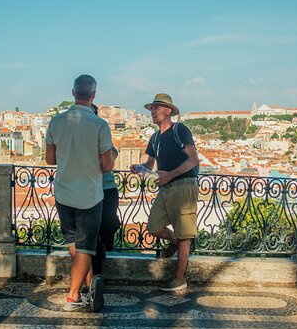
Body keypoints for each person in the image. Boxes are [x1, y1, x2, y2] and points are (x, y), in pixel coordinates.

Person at [45, 75, 114, 312]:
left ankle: (89, 279)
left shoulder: (56, 121)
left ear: (73, 92)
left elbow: (50, 159)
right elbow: (107, 166)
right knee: (85, 247)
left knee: (73, 242)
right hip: (89, 195)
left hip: (63, 192)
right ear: (93, 95)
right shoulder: (99, 125)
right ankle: (73, 297)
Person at [130, 93, 199, 292]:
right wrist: (140, 168)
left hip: (184, 185)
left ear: (168, 111)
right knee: (153, 227)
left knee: (184, 233)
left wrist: (170, 175)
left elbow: (194, 159)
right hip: (166, 187)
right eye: (151, 108)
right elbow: (150, 165)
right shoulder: (155, 138)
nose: (152, 111)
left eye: (156, 108)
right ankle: (175, 242)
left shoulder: (180, 130)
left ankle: (179, 278)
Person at [90, 104, 121, 281]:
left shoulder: (102, 129)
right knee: (93, 232)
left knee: (108, 223)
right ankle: (97, 273)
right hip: (91, 188)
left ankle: (99, 264)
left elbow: (113, 153)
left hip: (107, 187)